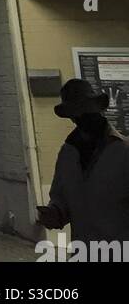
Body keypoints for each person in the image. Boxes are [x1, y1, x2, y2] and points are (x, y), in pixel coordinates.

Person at [37, 78, 129, 243]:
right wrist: (54, 213)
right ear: (72, 117)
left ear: (98, 108)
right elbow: (61, 198)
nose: (83, 116)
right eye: (77, 112)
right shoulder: (67, 154)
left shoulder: (123, 151)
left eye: (87, 109)